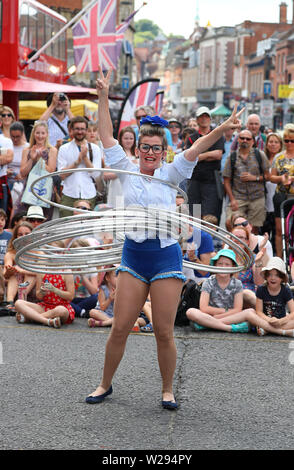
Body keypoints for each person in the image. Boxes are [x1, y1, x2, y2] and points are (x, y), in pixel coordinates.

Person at [85, 66, 243, 409]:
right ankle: (104, 384)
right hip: (134, 254)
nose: (150, 153)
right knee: (120, 327)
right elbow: (106, 136)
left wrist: (223, 129)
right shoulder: (126, 168)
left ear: (163, 149)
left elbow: (198, 145)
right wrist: (101, 96)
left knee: (163, 330)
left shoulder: (172, 172)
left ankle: (167, 389)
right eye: (145, 147)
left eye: (157, 148)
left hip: (165, 256)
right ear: (138, 147)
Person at [186, 249, 259, 333]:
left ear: (232, 267)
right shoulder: (208, 282)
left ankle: (207, 324)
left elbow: (237, 309)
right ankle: (229, 328)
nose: (223, 267)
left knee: (250, 311)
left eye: (227, 264)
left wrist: (217, 317)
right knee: (190, 312)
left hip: (228, 316)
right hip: (211, 315)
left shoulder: (237, 283)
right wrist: (225, 311)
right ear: (215, 265)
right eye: (220, 264)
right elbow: (204, 308)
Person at [223, 129, 270, 234]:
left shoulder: (260, 155)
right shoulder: (232, 157)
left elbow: (268, 176)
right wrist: (232, 199)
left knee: (254, 228)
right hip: (238, 197)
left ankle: (252, 249)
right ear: (238, 140)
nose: (245, 140)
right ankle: (236, 246)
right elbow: (226, 180)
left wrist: (254, 178)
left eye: (248, 139)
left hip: (257, 197)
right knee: (230, 223)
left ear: (253, 141)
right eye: (242, 138)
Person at [185, 106, 225, 223]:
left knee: (210, 217)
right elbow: (190, 157)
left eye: (206, 116)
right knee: (195, 217)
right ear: (197, 120)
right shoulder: (192, 138)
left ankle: (209, 241)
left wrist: (199, 155)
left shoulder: (217, 135)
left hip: (211, 182)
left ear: (210, 119)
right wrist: (207, 155)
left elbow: (218, 154)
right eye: (201, 117)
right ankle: (195, 241)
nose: (204, 119)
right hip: (195, 182)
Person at [57, 116, 103, 217]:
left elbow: (96, 174)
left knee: (87, 228)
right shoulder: (64, 149)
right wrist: (77, 161)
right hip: (69, 193)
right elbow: (62, 175)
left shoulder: (95, 149)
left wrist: (85, 158)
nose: (80, 132)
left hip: (89, 193)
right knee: (66, 227)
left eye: (82, 129)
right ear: (72, 130)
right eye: (77, 129)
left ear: (86, 130)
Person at [19, 120, 57, 218]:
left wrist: (41, 159)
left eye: (43, 133)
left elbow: (51, 170)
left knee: (44, 218)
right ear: (33, 134)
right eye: (38, 133)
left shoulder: (52, 150)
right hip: (29, 188)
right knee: (26, 216)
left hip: (45, 189)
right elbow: (23, 173)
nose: (40, 136)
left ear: (47, 134)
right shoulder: (26, 150)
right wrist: (32, 158)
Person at [270, 124, 294, 258]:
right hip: (281, 195)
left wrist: (292, 178)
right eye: (286, 140)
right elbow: (271, 177)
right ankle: (279, 259)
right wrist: (281, 178)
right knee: (280, 230)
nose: (289, 143)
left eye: (292, 140)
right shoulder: (278, 157)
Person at [255, 257, 294, 337]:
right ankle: (283, 332)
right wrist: (269, 320)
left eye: (277, 275)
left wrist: (281, 321)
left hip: (281, 322)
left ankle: (267, 330)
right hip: (266, 320)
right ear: (266, 276)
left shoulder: (286, 290)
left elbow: (293, 312)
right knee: (252, 314)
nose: (273, 278)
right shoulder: (261, 289)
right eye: (270, 275)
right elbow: (259, 311)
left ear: (282, 278)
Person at [4, 221, 35, 308]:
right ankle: (9, 302)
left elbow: (43, 272)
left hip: (35, 289)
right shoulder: (11, 254)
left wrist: (22, 270)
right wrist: (10, 271)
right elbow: (5, 275)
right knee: (14, 273)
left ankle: (21, 301)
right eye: (20, 234)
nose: (23, 237)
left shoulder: (39, 252)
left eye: (27, 234)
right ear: (16, 237)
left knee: (31, 274)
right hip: (16, 287)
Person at [260, 132, 283, 251]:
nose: (273, 144)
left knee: (277, 235)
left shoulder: (283, 160)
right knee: (264, 235)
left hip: (278, 203)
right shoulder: (262, 159)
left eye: (276, 142)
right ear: (266, 144)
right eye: (271, 142)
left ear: (280, 145)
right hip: (263, 203)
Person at [104, 126, 137, 208]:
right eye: (126, 138)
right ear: (121, 139)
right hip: (117, 190)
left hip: (134, 192)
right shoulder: (115, 155)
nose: (128, 141)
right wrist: (124, 172)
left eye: (131, 138)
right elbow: (105, 175)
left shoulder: (138, 154)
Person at [8, 122, 28, 203]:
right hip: (8, 180)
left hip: (22, 182)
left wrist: (23, 174)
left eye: (18, 137)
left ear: (22, 134)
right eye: (13, 137)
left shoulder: (27, 147)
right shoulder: (6, 145)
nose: (15, 139)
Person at [0, 125, 13, 215]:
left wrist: (3, 159)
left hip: (1, 181)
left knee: (2, 214)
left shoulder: (6, 140)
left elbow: (8, 158)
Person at [0, 209, 12, 300]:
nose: (0, 222)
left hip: (6, 264)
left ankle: (2, 294)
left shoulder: (9, 236)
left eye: (2, 220)